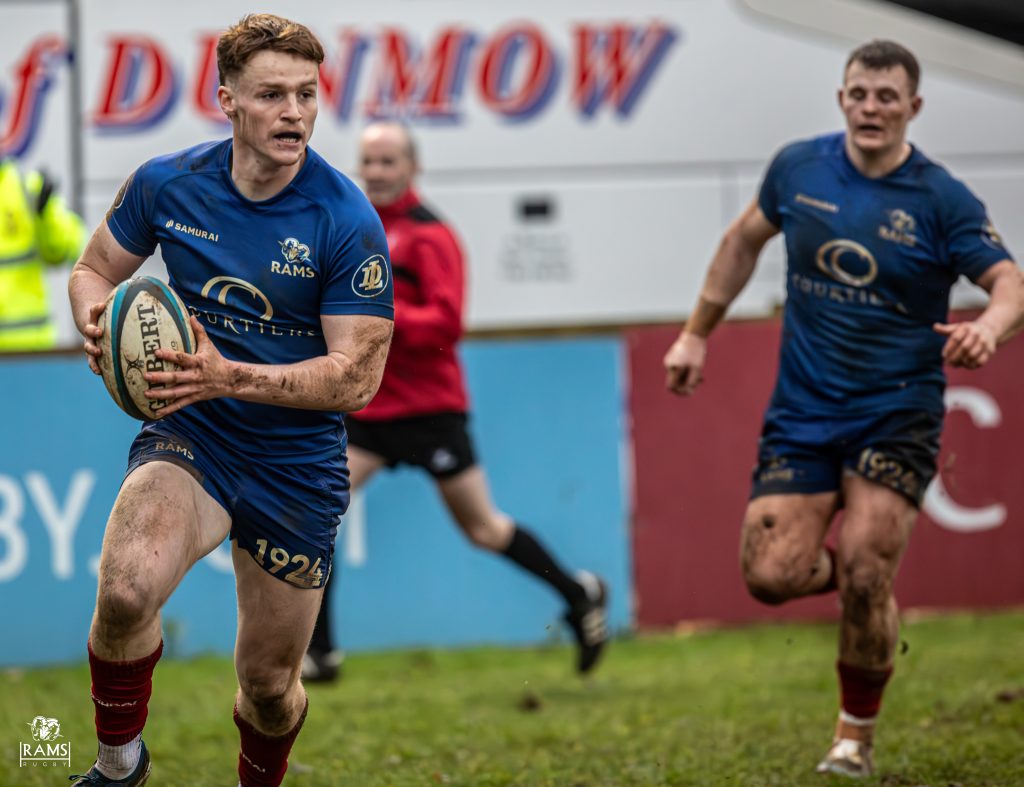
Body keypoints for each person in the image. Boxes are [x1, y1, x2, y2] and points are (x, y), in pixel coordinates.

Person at [662, 40, 1024, 778]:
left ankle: (852, 739)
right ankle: (869, 584)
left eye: (887, 96)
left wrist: (988, 328)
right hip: (804, 408)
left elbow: (1010, 284)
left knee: (863, 568)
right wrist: (695, 334)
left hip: (898, 409)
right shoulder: (799, 169)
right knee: (771, 573)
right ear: (841, 100)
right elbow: (740, 243)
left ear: (913, 107)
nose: (871, 108)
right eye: (859, 93)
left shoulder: (941, 199)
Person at [67, 14, 393, 786]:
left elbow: (357, 379)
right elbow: (93, 271)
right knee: (125, 590)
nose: (295, 112)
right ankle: (118, 767)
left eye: (307, 94)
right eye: (272, 94)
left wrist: (230, 374)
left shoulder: (345, 219)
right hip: (194, 434)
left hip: (295, 462)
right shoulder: (167, 183)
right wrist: (98, 321)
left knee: (269, 687)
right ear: (228, 101)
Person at [303, 121, 609, 683]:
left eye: (389, 161)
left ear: (413, 168)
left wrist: (377, 315)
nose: (377, 172)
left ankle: (579, 594)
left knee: (483, 529)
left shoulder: (431, 235)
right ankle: (321, 653)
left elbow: (447, 324)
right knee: (316, 514)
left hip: (430, 410)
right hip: (369, 408)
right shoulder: (353, 228)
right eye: (369, 161)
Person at [0, 158, 85, 351]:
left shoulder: (25, 187)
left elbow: (68, 247)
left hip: (28, 349)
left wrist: (46, 214)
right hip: (29, 346)